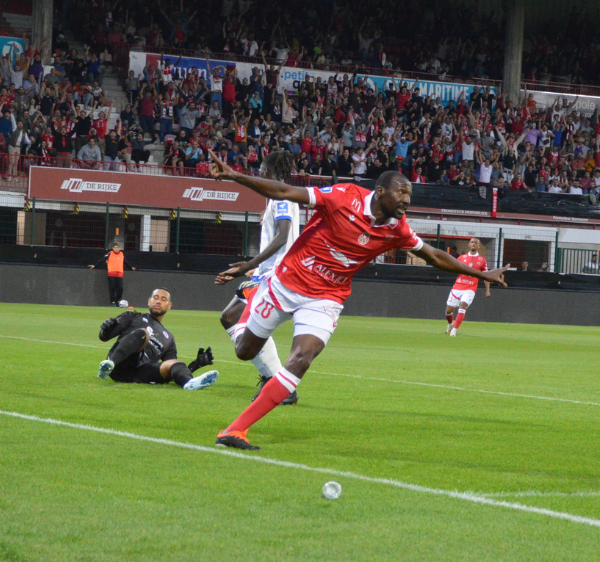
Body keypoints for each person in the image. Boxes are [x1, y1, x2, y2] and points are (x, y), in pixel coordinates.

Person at [205, 150, 510, 450]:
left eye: (410, 194)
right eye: (401, 192)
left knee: (302, 359)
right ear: (379, 192)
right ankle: (247, 328)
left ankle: (236, 429)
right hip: (286, 283)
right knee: (245, 351)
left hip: (326, 298)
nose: (406, 199)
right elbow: (286, 190)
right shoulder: (342, 196)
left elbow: (432, 255)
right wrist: (235, 176)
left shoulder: (397, 229)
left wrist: (484, 275)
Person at [214, 151, 301, 405]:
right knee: (229, 317)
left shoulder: (282, 196)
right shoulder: (275, 199)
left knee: (244, 332)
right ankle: (271, 378)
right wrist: (254, 268)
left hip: (278, 278)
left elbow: (284, 236)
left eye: (261, 168)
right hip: (266, 274)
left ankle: (281, 387)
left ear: (267, 172)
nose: (259, 173)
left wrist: (251, 264)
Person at [96, 288, 218, 390]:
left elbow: (171, 370)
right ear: (149, 301)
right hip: (120, 364)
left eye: (163, 299)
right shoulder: (132, 316)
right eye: (155, 298)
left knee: (177, 363)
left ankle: (189, 383)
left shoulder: (169, 338)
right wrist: (106, 328)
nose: (158, 301)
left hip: (140, 372)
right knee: (142, 334)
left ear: (169, 306)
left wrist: (195, 365)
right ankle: (109, 365)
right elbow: (104, 337)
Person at [443, 238, 491, 337]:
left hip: (470, 288)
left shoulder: (482, 260)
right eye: (472, 242)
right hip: (458, 287)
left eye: (476, 243)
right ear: (469, 245)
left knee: (463, 305)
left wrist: (487, 290)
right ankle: (450, 324)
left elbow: (486, 276)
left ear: (478, 246)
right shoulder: (461, 258)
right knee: (448, 311)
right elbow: (453, 268)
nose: (474, 244)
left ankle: (454, 330)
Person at [88, 240, 130, 307]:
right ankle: (112, 302)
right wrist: (95, 265)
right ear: (113, 248)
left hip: (119, 274)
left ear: (119, 248)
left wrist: (131, 268)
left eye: (118, 248)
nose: (117, 249)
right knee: (112, 288)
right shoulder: (110, 253)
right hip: (111, 273)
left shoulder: (122, 254)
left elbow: (126, 262)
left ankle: (118, 301)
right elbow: (102, 260)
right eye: (115, 247)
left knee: (120, 288)